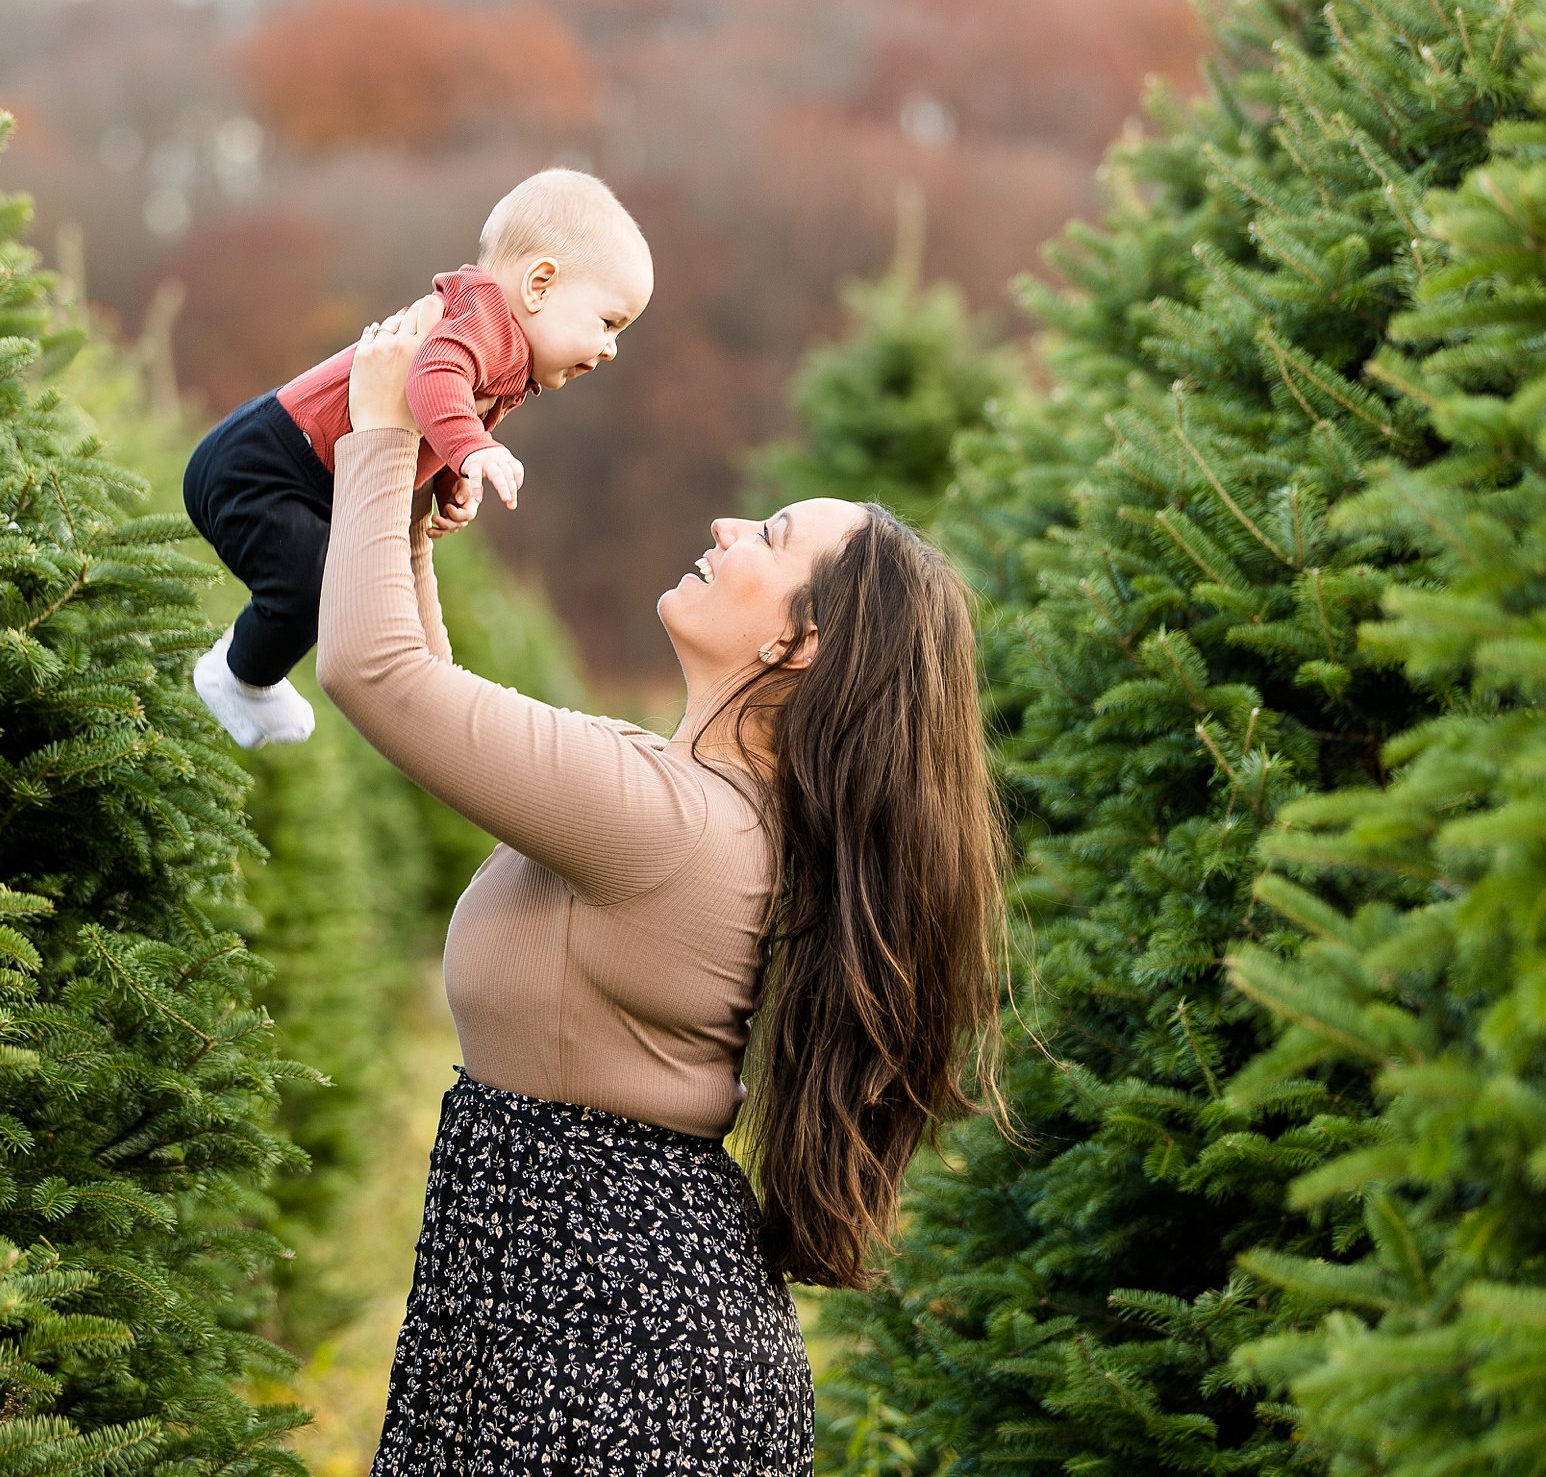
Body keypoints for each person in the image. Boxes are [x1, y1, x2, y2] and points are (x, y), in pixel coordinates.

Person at [317, 299, 1010, 1475]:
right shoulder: (683, 800)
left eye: (773, 534)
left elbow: (369, 671)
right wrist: (417, 531)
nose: (730, 522)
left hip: (606, 1348)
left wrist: (376, 434)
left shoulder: (666, 820)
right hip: (586, 1320)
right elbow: (430, 689)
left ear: (802, 643)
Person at [181, 168, 652, 748]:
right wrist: (473, 446)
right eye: (608, 323)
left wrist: (450, 474)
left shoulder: (506, 357)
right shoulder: (483, 319)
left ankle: (249, 674)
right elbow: (434, 375)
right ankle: (237, 675)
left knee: (324, 583)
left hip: (301, 472)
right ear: (539, 285)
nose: (610, 349)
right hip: (265, 462)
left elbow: (428, 415)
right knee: (310, 586)